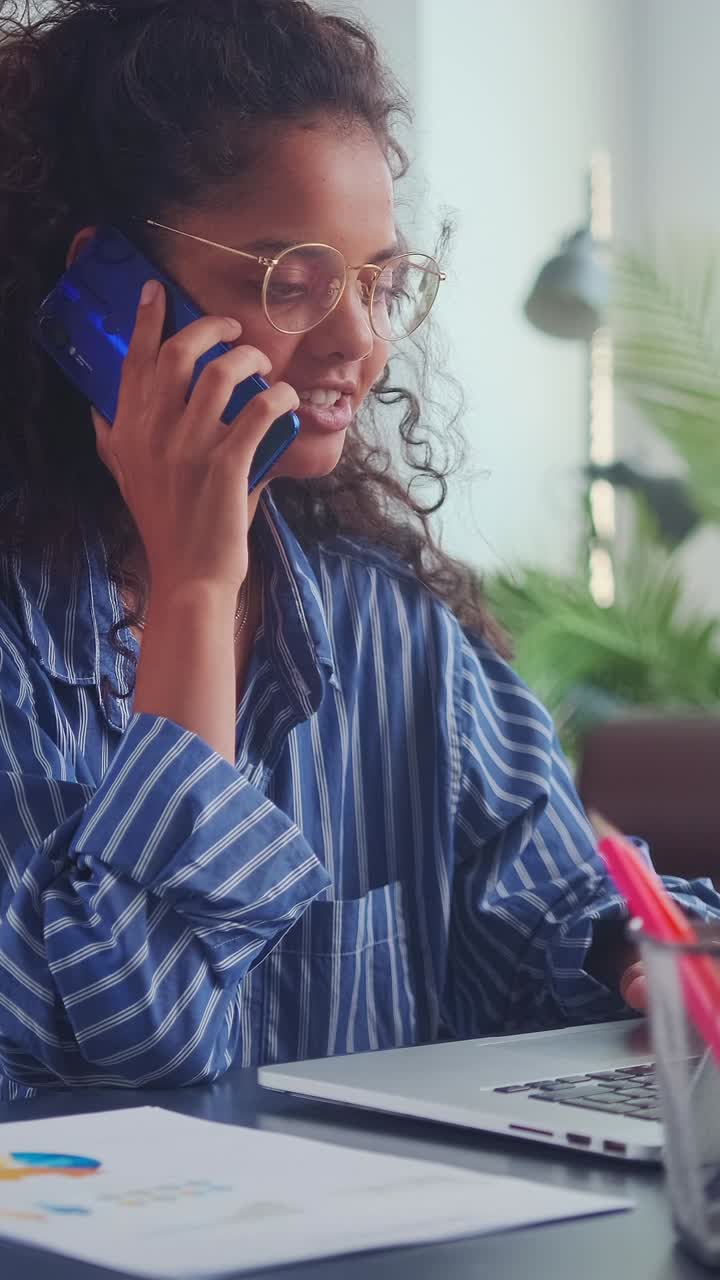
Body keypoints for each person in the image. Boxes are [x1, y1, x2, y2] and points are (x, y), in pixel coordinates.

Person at [0, 0, 716, 1105]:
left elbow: (553, 920)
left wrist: (635, 951)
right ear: (111, 289)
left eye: (380, 281)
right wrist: (197, 585)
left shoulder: (394, 630)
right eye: (291, 280)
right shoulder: (19, 652)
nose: (360, 342)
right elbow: (139, 1060)